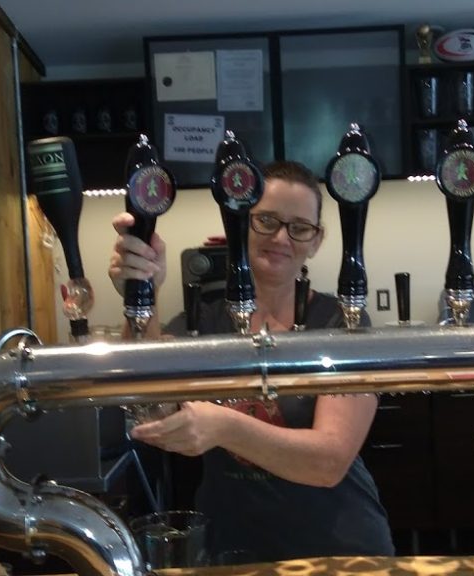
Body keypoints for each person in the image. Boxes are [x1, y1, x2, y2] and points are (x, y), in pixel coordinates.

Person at [108, 160, 394, 562]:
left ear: (316, 240)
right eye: (266, 221)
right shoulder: (201, 319)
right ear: (239, 223)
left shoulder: (341, 323)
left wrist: (224, 426)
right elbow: (152, 409)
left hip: (339, 550)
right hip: (233, 549)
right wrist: (142, 295)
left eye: (299, 227)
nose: (280, 237)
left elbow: (328, 462)